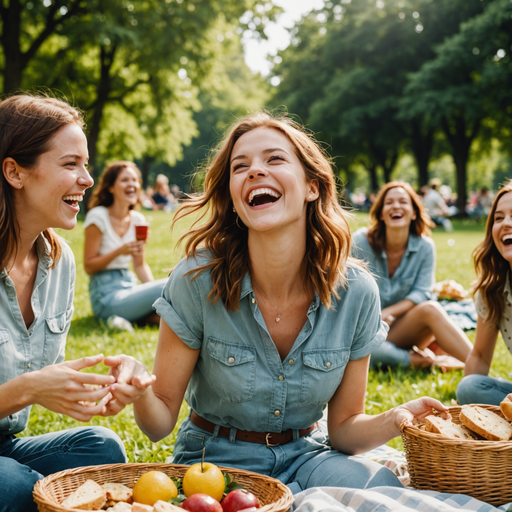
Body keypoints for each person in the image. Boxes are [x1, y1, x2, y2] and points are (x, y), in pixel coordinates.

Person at [132, 112, 447, 494]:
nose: (254, 171)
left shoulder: (356, 290)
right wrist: (139, 390)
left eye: (274, 159)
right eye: (240, 166)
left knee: (384, 491)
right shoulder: (196, 279)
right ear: (233, 198)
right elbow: (159, 422)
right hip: (215, 463)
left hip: (308, 455)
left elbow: (346, 430)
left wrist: (394, 419)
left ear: (312, 186)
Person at [0, 94, 154, 512]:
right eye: (70, 164)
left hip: (5, 445)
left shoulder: (59, 262)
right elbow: (28, 384)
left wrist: (104, 386)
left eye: (85, 165)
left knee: (101, 449)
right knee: (11, 483)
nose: (87, 179)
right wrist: (26, 389)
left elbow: (43, 373)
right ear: (15, 172)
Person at [352, 181, 473, 369]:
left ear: (414, 212)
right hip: (365, 331)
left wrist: (389, 312)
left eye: (403, 201)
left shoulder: (425, 246)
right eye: (389, 202)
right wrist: (374, 316)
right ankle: (422, 360)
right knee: (363, 350)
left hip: (402, 328)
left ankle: (480, 370)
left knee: (431, 308)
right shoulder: (360, 242)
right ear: (381, 213)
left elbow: (423, 292)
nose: (396, 206)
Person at [84, 162, 167, 328]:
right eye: (124, 180)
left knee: (170, 317)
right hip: (105, 294)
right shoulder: (98, 216)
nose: (132, 184)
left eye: (135, 180)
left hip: (130, 286)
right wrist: (120, 251)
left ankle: (122, 319)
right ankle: (117, 316)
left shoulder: (138, 220)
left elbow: (140, 266)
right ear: (111, 187)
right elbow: (89, 266)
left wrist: (159, 299)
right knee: (172, 283)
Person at [457, 181, 512, 405]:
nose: (506, 223)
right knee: (469, 388)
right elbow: (479, 356)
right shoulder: (493, 290)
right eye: (499, 218)